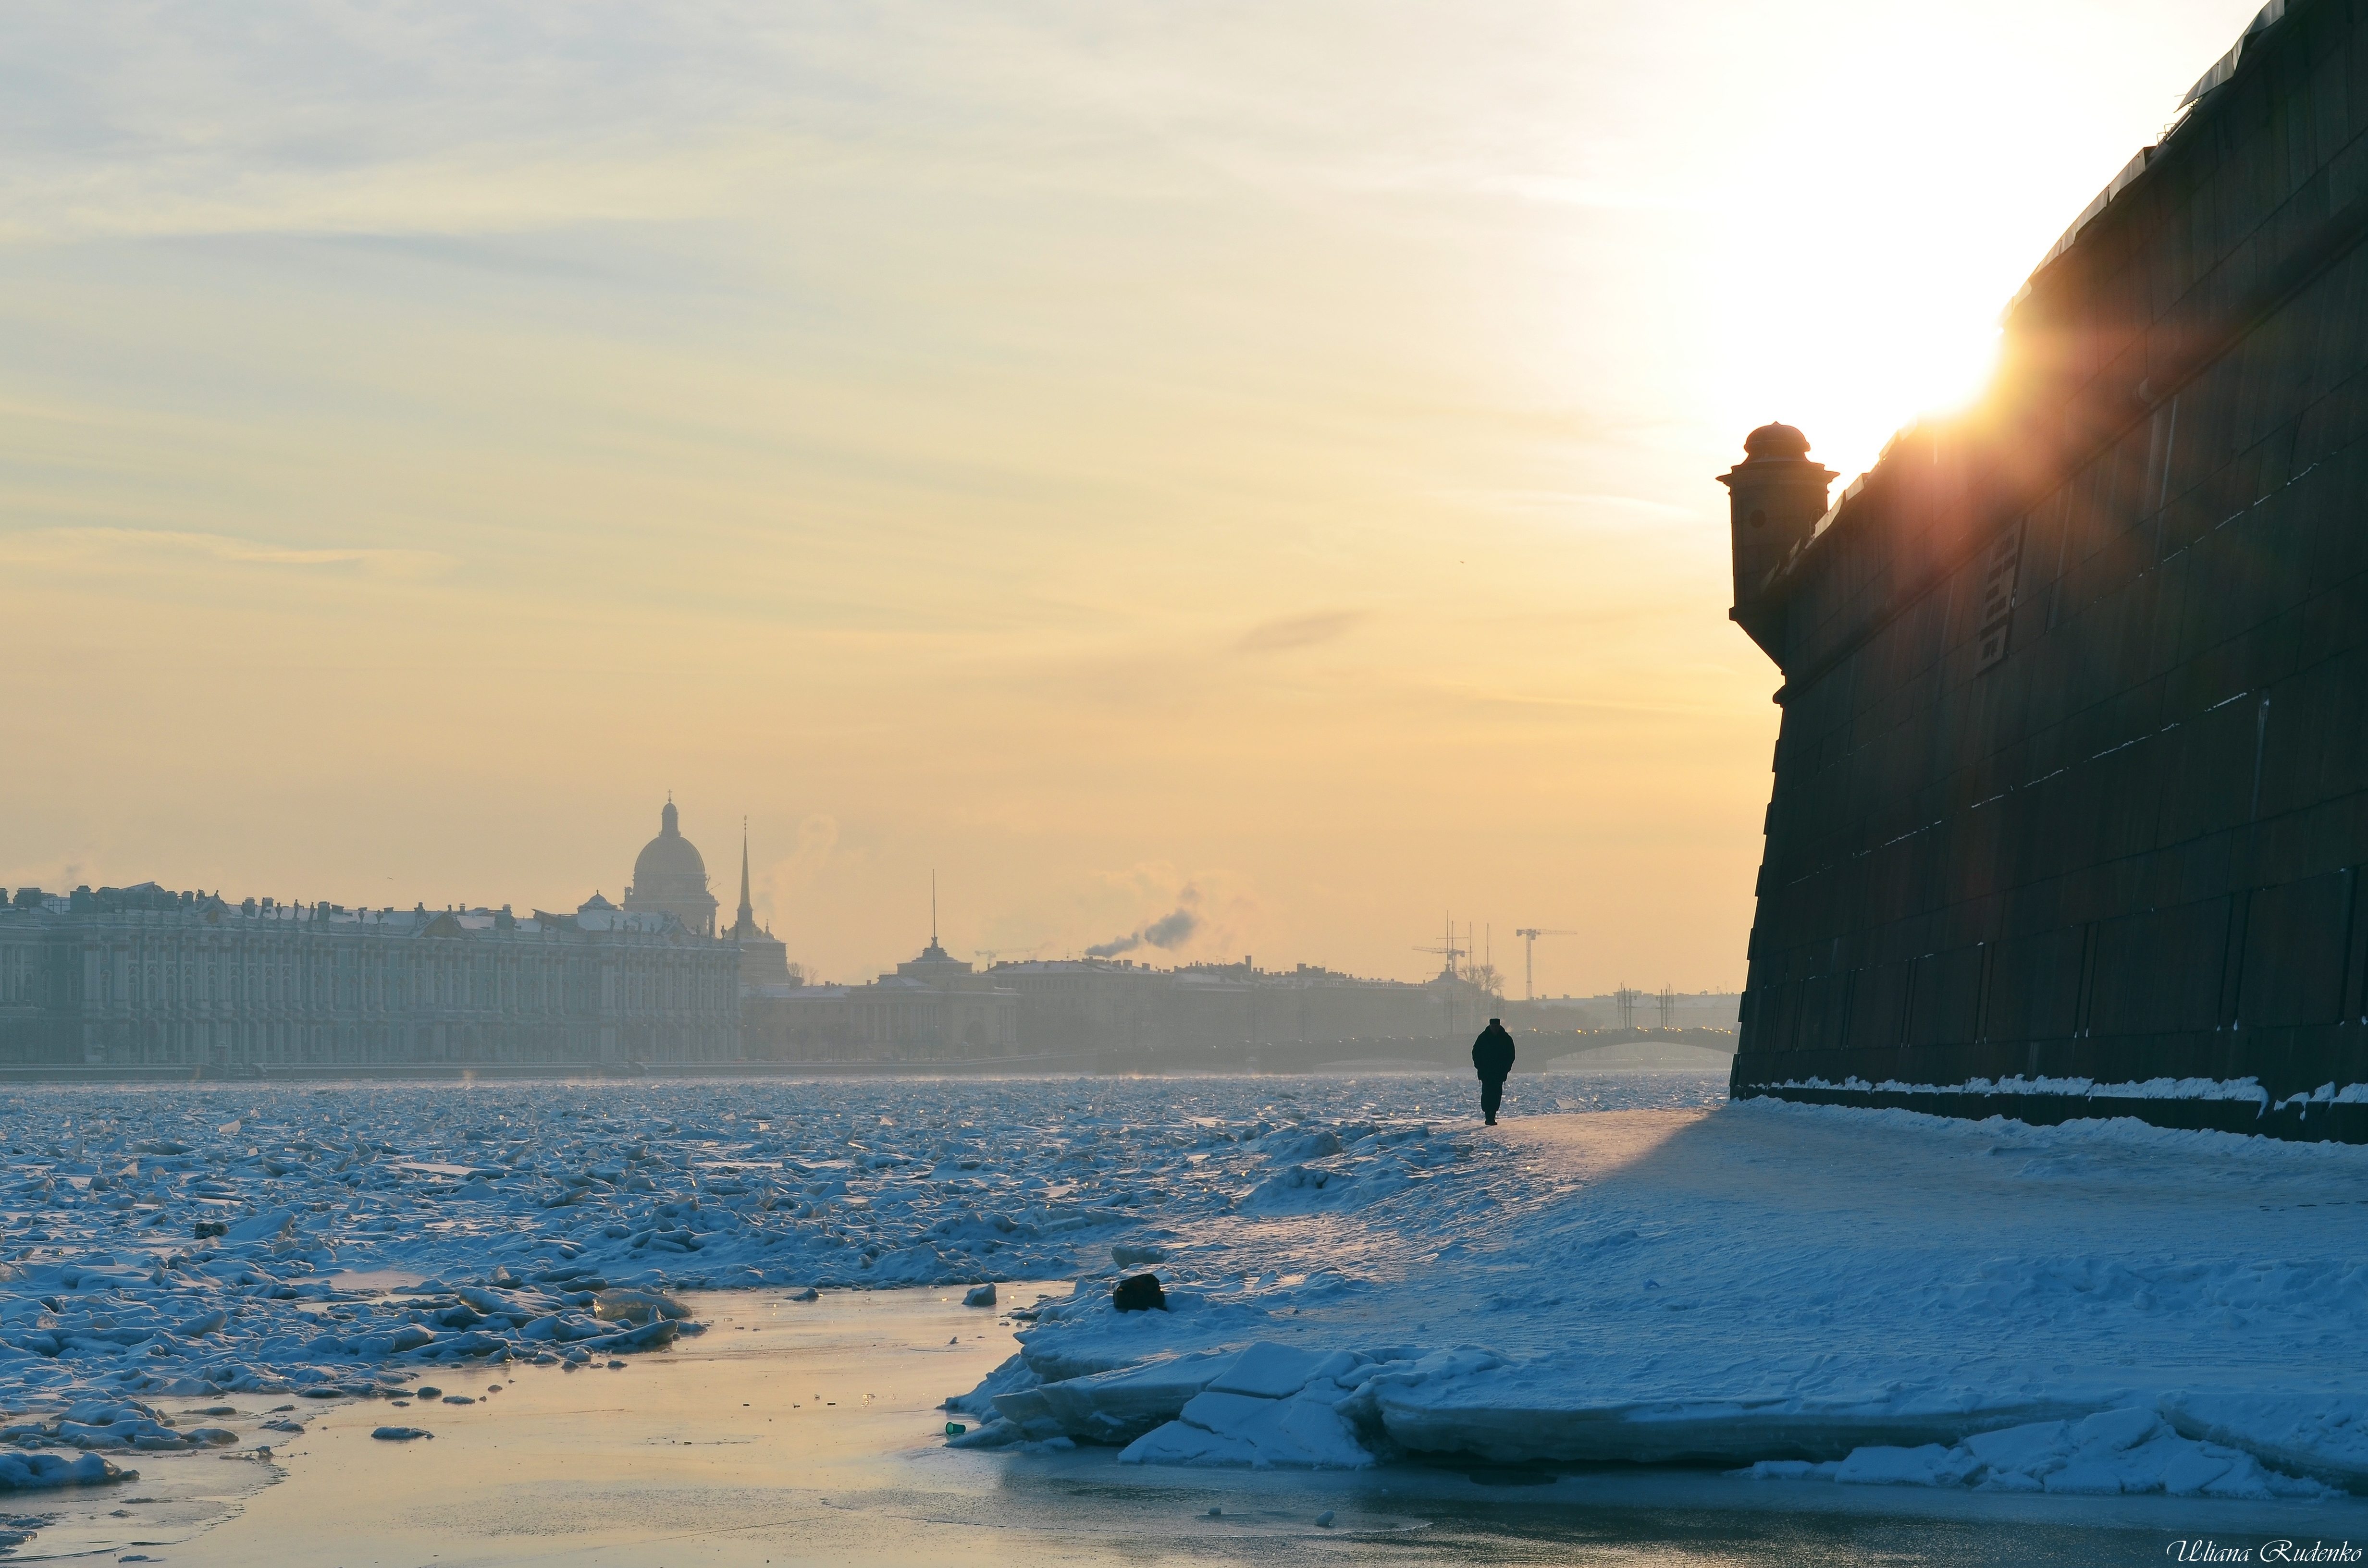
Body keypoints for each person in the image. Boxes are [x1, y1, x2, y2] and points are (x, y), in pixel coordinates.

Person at [1471, 1017, 1516, 1125]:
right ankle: (1488, 1116)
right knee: (1487, 1093)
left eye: (1496, 1026)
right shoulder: (1483, 1038)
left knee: (1496, 1094)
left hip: (1499, 1072)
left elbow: (1511, 1055)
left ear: (1499, 1026)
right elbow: (1475, 1053)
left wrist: (1507, 1068)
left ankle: (1493, 1115)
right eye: (1493, 1026)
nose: (1495, 1028)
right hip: (1486, 1072)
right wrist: (1479, 1066)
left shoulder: (1506, 1038)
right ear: (1490, 1026)